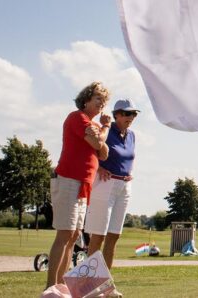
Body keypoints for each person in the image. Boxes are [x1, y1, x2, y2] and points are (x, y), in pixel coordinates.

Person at [45, 82, 111, 290]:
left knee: (74, 236)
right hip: (69, 180)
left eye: (104, 101)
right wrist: (105, 128)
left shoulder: (94, 126)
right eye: (98, 99)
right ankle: (50, 287)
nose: (102, 104)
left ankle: (62, 285)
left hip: (84, 185)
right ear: (86, 100)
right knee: (64, 234)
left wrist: (100, 137)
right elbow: (97, 144)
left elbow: (104, 153)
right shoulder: (77, 117)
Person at [85, 99, 140, 270]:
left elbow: (129, 158)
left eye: (133, 114)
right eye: (126, 113)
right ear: (117, 115)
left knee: (114, 235)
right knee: (98, 236)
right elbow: (89, 152)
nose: (130, 117)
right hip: (105, 183)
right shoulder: (106, 131)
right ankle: (90, 281)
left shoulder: (131, 135)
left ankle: (105, 281)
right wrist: (99, 167)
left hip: (124, 186)